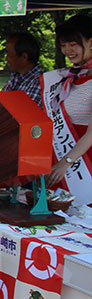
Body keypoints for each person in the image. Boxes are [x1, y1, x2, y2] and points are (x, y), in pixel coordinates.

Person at [43, 15, 92, 205]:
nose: (67, 51)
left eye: (73, 44)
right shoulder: (66, 78)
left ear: (90, 42)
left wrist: (66, 162)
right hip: (59, 160)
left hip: (83, 167)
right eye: (63, 45)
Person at [2, 32, 43, 107]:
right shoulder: (16, 76)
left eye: (9, 54)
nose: (6, 58)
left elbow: (25, 114)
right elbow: (0, 104)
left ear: (24, 57)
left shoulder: (39, 83)